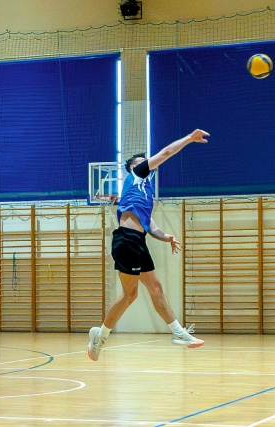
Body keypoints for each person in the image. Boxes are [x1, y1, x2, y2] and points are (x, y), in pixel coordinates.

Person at [87, 129, 210, 361]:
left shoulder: (143, 194)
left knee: (154, 290)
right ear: (134, 167)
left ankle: (178, 333)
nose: (147, 163)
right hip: (126, 240)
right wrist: (189, 138)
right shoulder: (136, 175)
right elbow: (166, 152)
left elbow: (152, 228)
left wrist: (167, 237)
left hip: (137, 241)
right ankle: (100, 336)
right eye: (142, 161)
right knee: (130, 295)